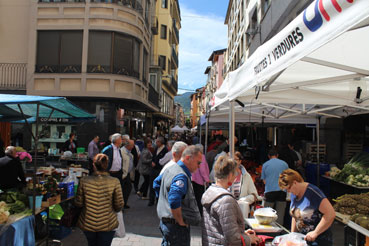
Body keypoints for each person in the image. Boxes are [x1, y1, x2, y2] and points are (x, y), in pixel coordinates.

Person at [201, 156, 260, 246]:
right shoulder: (225, 200)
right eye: (235, 174)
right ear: (230, 175)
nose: (236, 177)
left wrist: (242, 233)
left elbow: (221, 228)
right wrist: (248, 239)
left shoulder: (210, 192)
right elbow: (232, 238)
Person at [153, 145, 203, 246]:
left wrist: (164, 203)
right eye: (198, 163)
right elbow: (174, 199)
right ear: (188, 158)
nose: (199, 166)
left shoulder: (171, 167)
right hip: (175, 226)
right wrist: (179, 220)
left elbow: (156, 183)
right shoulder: (180, 175)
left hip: (168, 223)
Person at [75, 153, 124, 246]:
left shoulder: (84, 181)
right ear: (106, 165)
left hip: (88, 223)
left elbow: (79, 203)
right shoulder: (115, 182)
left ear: (94, 165)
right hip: (108, 223)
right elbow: (119, 206)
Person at [279, 169, 335, 246]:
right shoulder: (294, 194)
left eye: (289, 188)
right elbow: (295, 216)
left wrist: (316, 232)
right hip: (303, 240)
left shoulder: (313, 193)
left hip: (319, 241)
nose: (288, 191)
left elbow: (330, 214)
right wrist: (292, 235)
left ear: (295, 182)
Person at [261, 148, 289, 225]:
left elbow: (264, 181)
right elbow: (288, 178)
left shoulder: (265, 165)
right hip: (282, 191)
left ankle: (268, 231)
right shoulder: (284, 164)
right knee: (280, 214)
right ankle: (279, 230)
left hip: (269, 191)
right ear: (277, 155)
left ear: (268, 156)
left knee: (267, 214)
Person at [148, 137, 168, 206]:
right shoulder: (156, 148)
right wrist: (152, 162)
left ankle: (158, 200)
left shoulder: (165, 149)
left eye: (157, 142)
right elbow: (153, 157)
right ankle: (151, 200)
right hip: (153, 169)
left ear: (161, 142)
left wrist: (156, 164)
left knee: (158, 185)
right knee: (151, 184)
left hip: (159, 169)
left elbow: (163, 160)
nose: (156, 143)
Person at [191, 144, 209, 215]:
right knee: (199, 197)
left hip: (194, 178)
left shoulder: (193, 156)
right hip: (199, 180)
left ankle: (196, 212)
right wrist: (206, 179)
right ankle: (200, 213)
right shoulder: (202, 157)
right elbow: (202, 169)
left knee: (195, 197)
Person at [120, 139, 134, 209]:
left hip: (127, 173)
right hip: (123, 173)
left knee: (128, 188)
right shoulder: (122, 152)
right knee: (123, 189)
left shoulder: (129, 152)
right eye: (132, 145)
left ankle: (124, 203)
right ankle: (121, 204)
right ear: (128, 145)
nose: (133, 146)